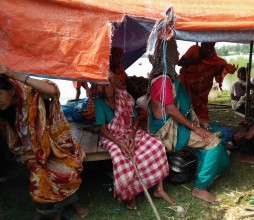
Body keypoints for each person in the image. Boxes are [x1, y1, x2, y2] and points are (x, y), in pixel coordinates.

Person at [148, 33, 229, 203]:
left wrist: (199, 123)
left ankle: (207, 169)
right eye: (175, 51)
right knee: (213, 143)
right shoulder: (162, 79)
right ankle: (200, 188)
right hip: (168, 132)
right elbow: (170, 109)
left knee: (215, 131)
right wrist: (195, 127)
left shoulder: (168, 77)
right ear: (167, 55)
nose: (178, 55)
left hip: (174, 126)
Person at [0, 65, 88, 219]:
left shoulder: (30, 94)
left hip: (55, 146)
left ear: (12, 90)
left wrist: (12, 74)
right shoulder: (4, 114)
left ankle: (73, 204)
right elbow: (16, 141)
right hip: (30, 151)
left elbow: (52, 91)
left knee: (66, 171)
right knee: (39, 176)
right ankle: (40, 209)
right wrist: (34, 153)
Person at [95, 72, 175, 210]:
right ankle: (130, 195)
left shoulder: (125, 98)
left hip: (130, 132)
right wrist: (119, 142)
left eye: (109, 85)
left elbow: (136, 119)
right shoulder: (99, 103)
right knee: (122, 159)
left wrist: (132, 135)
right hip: (112, 136)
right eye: (103, 86)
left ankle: (159, 189)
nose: (106, 89)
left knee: (157, 146)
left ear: (115, 86)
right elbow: (103, 129)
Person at [178, 42, 237, 126]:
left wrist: (226, 69)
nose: (209, 50)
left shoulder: (213, 56)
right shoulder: (194, 49)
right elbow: (180, 63)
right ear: (202, 45)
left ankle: (202, 125)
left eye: (212, 47)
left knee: (202, 107)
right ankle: (188, 124)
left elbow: (216, 71)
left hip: (203, 88)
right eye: (207, 47)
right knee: (188, 104)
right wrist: (196, 62)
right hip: (189, 84)